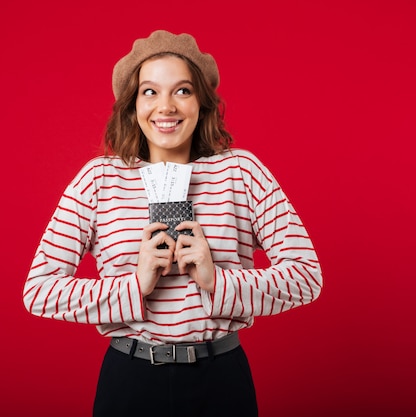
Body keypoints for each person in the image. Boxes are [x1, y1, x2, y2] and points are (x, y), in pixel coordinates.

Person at [23, 29, 323, 417]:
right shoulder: (99, 179)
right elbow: (40, 291)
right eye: (150, 91)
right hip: (130, 379)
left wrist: (217, 280)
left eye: (182, 90)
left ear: (202, 102)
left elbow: (306, 276)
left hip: (221, 380)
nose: (166, 106)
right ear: (132, 106)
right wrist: (136, 287)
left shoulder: (242, 172)